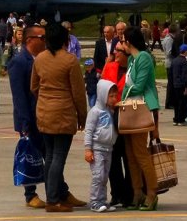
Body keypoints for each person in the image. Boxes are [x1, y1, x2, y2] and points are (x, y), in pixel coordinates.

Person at [30, 23, 88, 213]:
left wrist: (45, 99)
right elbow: (79, 93)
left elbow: (34, 87)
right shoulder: (70, 61)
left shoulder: (39, 59)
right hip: (63, 113)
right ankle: (53, 200)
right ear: (65, 40)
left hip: (44, 112)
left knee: (49, 156)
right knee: (58, 158)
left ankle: (52, 197)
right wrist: (82, 116)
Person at [9, 23, 50, 209]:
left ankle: (60, 191)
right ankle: (30, 194)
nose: (45, 40)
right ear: (29, 40)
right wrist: (25, 122)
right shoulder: (19, 61)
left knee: (50, 157)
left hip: (44, 116)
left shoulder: (41, 58)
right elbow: (19, 96)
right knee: (30, 157)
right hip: (29, 119)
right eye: (41, 38)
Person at [121, 27, 161, 211]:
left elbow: (139, 85)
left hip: (142, 107)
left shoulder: (143, 57)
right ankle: (137, 192)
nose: (122, 45)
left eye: (123, 41)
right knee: (130, 155)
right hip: (130, 108)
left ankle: (151, 192)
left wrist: (121, 97)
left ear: (129, 41)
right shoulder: (131, 60)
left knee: (141, 154)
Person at [84, 80, 120, 213]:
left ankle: (102, 201)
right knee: (98, 176)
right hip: (97, 149)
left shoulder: (111, 111)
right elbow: (89, 130)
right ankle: (94, 201)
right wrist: (88, 149)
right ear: (102, 95)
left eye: (115, 96)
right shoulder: (95, 112)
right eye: (110, 96)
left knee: (104, 177)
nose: (113, 99)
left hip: (108, 149)